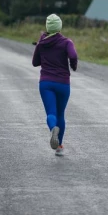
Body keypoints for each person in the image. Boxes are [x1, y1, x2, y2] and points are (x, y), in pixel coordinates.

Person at [32, 14, 78, 156]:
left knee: (51, 113)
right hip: (63, 83)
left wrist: (45, 55)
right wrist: (73, 65)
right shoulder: (66, 42)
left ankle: (53, 128)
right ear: (59, 27)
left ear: (47, 27)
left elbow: (35, 62)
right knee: (61, 114)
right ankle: (59, 146)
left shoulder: (42, 43)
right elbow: (73, 55)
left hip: (46, 83)